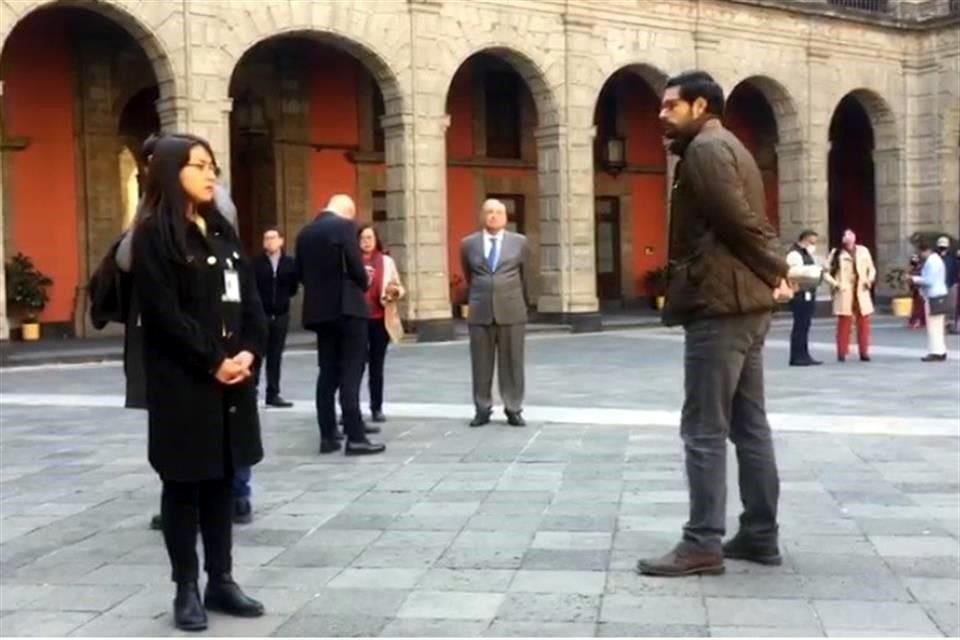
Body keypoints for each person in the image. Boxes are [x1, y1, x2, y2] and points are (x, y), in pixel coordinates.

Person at [636, 70, 793, 577]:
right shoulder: (732, 147)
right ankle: (760, 534)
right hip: (745, 306)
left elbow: (739, 221)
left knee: (703, 427)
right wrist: (770, 275)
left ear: (700, 106)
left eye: (670, 107)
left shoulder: (704, 151)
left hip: (720, 306)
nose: (661, 115)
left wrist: (779, 269)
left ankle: (702, 542)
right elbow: (750, 220)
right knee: (750, 425)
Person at [131, 134, 266, 630]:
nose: (211, 175)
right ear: (171, 172)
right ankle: (185, 586)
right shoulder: (153, 236)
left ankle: (222, 579)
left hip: (233, 381)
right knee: (184, 484)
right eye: (199, 166)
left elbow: (251, 302)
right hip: (185, 384)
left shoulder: (222, 230)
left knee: (223, 481)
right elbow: (165, 315)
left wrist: (251, 349)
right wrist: (214, 360)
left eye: (213, 167)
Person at [296, 194, 385, 456]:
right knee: (351, 372)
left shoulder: (305, 233)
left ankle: (328, 435)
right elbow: (357, 266)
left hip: (319, 312)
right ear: (347, 212)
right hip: (348, 308)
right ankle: (355, 437)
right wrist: (363, 283)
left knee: (327, 372)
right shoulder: (344, 227)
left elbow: (300, 272)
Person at [460, 198, 530, 428]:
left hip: (511, 310)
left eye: (498, 212)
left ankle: (513, 408)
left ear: (505, 217)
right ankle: (482, 408)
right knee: (480, 363)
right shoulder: (468, 244)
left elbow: (526, 274)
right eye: (489, 212)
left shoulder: (519, 242)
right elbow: (468, 275)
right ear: (482, 215)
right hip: (480, 310)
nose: (493, 216)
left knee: (513, 363)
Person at [358, 224, 405, 423]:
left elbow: (398, 286)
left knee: (376, 367)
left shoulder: (386, 261)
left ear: (376, 239)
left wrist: (394, 292)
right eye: (362, 238)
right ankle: (350, 407)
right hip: (357, 320)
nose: (366, 241)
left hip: (380, 320)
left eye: (370, 237)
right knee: (354, 366)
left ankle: (376, 407)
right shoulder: (351, 259)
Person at [253, 228, 299, 409]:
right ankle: (252, 390)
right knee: (257, 353)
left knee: (275, 355)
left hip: (280, 314)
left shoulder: (290, 263)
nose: (269, 241)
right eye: (266, 238)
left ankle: (273, 393)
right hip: (261, 314)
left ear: (281, 241)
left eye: (273, 238)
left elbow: (293, 288)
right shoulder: (256, 263)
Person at [826, 230, 876, 362]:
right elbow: (825, 272)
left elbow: (871, 269)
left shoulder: (863, 250)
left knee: (864, 323)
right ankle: (842, 352)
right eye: (846, 235)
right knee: (844, 324)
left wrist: (869, 280)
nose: (849, 237)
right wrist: (836, 284)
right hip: (845, 291)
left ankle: (864, 352)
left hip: (861, 290)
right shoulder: (836, 253)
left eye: (851, 234)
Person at [786, 230, 822, 366]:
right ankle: (797, 356)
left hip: (808, 293)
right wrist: (813, 270)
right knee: (799, 325)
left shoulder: (807, 254)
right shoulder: (794, 254)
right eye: (812, 242)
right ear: (805, 240)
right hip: (799, 294)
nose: (813, 245)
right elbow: (794, 272)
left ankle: (804, 354)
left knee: (805, 325)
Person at [912, 240, 950, 362]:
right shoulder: (937, 260)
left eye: (921, 252)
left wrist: (914, 279)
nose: (921, 255)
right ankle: (941, 350)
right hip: (940, 295)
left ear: (927, 251)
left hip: (933, 296)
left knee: (933, 326)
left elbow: (929, 280)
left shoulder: (932, 262)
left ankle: (935, 351)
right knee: (939, 325)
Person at [935, 236, 958, 333]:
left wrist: (954, 283)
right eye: (941, 247)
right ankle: (941, 326)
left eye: (944, 247)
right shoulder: (935, 258)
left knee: (951, 307)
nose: (942, 249)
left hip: (950, 284)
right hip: (939, 285)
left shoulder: (951, 258)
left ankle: (951, 325)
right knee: (940, 307)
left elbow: (955, 269)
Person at [908, 254, 926, 330]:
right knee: (917, 305)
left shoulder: (920, 269)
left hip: (920, 289)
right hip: (915, 290)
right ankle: (917, 320)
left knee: (919, 306)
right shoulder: (913, 269)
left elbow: (921, 279)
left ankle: (918, 321)